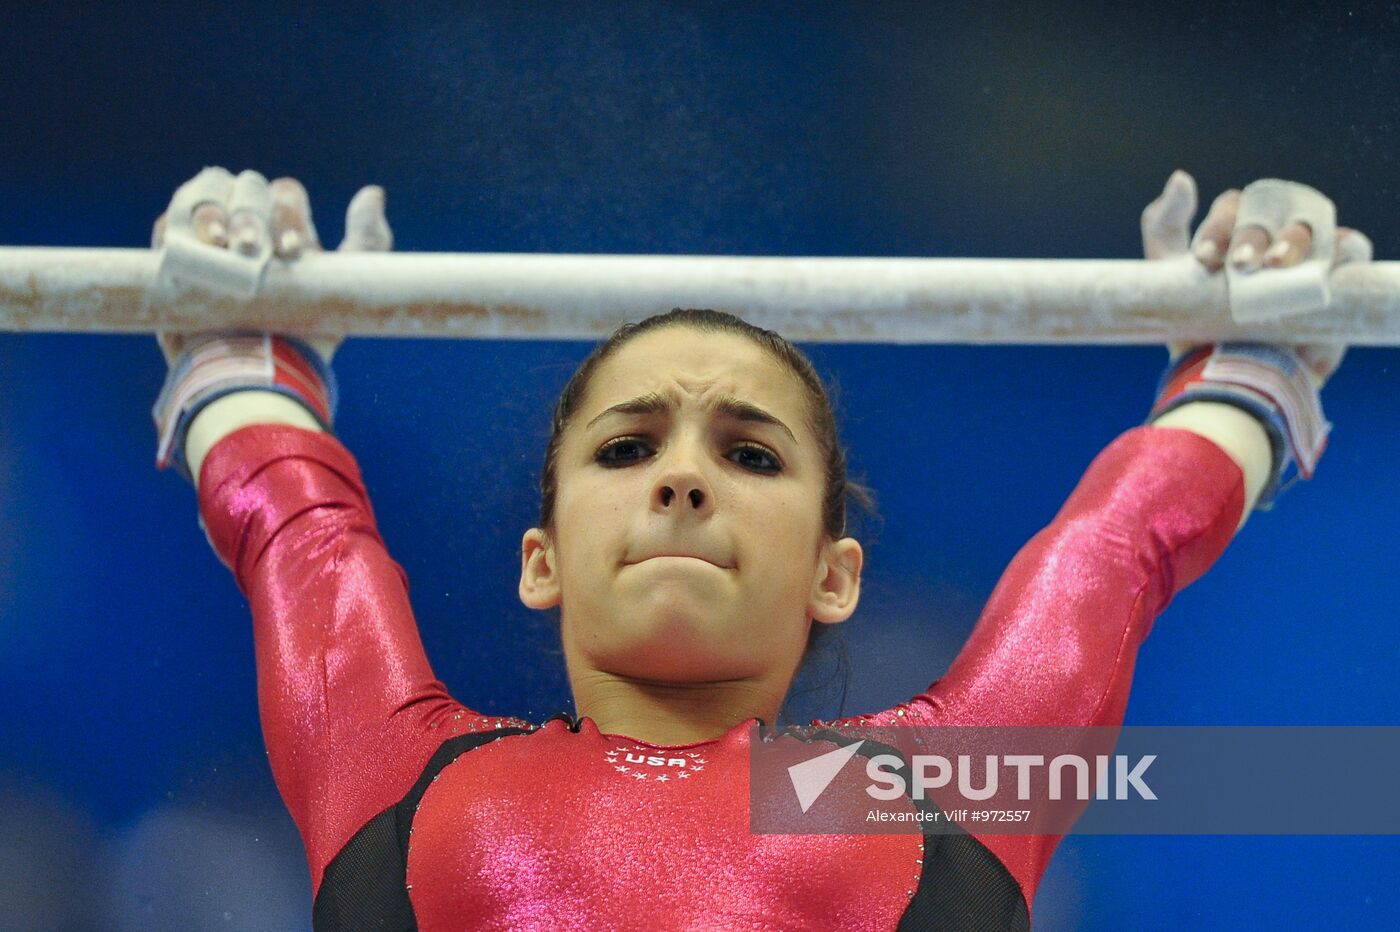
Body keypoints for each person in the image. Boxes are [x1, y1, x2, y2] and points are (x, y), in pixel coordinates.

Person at [149, 167, 1372, 930]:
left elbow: (1112, 554)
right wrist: (235, 340)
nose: (681, 472)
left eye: (749, 453)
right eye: (626, 449)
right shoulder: (401, 769)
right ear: (542, 559)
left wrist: (1253, 350)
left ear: (834, 576)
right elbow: (300, 540)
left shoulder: (918, 788)